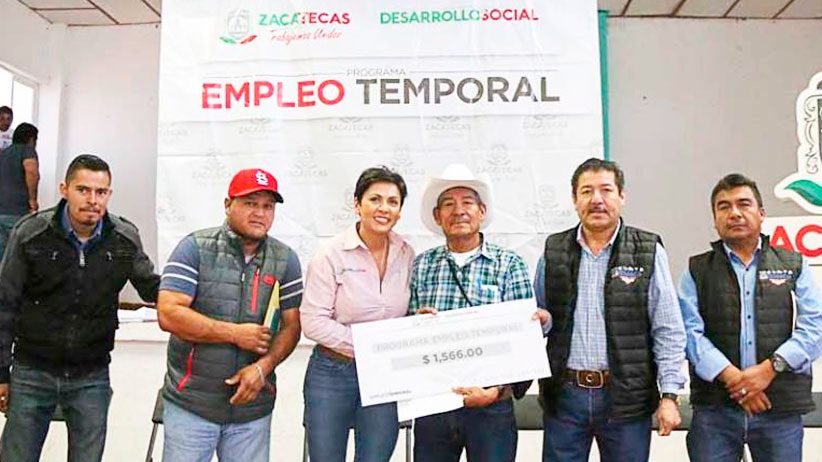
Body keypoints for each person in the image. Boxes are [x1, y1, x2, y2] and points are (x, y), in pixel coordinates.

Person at [0, 154, 160, 462]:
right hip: (32, 372)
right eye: (83, 190)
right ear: (65, 190)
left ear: (109, 194)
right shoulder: (31, 234)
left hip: (91, 376)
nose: (92, 200)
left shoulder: (123, 238)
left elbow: (151, 286)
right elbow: (4, 304)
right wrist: (0, 373)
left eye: (101, 192)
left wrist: (193, 290)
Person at [535, 157, 686, 462]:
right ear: (575, 200)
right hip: (565, 397)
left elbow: (668, 329)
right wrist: (540, 321)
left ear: (621, 196)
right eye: (586, 191)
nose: (597, 200)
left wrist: (669, 395)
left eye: (606, 190)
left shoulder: (647, 250)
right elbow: (540, 318)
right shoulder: (553, 250)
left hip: (626, 399)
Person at [156, 168, 303, 462]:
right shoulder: (194, 248)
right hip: (191, 406)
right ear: (227, 204)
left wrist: (263, 368)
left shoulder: (286, 259)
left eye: (268, 206)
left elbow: (291, 327)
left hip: (252, 411)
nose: (260, 213)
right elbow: (169, 314)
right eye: (250, 203)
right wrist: (235, 334)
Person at [678, 173, 822, 462]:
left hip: (778, 409)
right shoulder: (697, 270)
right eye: (724, 206)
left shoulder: (793, 264)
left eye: (743, 204)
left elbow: (814, 326)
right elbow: (688, 331)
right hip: (715, 411)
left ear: (761, 214)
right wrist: (734, 378)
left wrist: (770, 369)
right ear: (715, 219)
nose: (734, 213)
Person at [409, 163, 539, 462]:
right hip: (434, 406)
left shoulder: (509, 264)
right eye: (448, 204)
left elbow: (525, 341)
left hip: (491, 406)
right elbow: (406, 330)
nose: (459, 211)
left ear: (482, 212)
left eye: (467, 202)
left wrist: (496, 391)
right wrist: (415, 325)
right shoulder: (422, 265)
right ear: (437, 216)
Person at [300, 166, 414, 462]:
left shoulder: (406, 253)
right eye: (375, 199)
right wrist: (368, 345)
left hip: (384, 374)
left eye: (393, 202)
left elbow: (403, 314)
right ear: (357, 204)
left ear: (400, 211)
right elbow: (312, 322)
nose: (384, 208)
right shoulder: (330, 253)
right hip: (333, 372)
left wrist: (419, 322)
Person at [0, 122, 39, 258]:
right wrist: (32, 200)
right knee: (18, 255)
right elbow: (31, 171)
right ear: (31, 139)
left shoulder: (3, 153)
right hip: (18, 211)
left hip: (1, 210)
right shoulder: (27, 151)